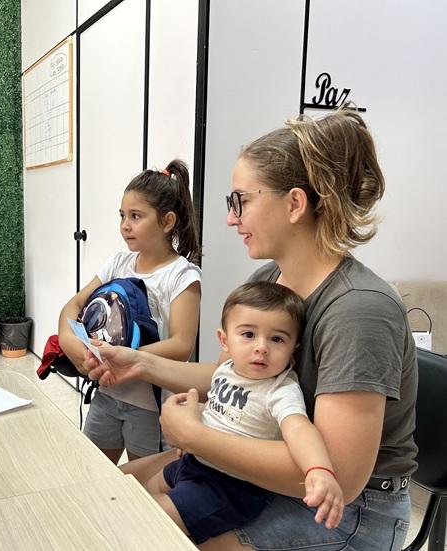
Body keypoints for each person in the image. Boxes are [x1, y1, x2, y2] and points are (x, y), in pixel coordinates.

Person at [86, 108, 418, 550]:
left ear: (294, 204)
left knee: (139, 532)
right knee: (104, 495)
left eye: (240, 200)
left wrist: (195, 436)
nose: (231, 218)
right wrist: (140, 363)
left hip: (349, 510)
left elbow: (339, 476)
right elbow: (230, 376)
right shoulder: (268, 281)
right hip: (266, 476)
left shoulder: (359, 310)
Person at [145, 281, 343, 545]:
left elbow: (299, 428)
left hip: (229, 487)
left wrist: (318, 469)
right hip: (194, 464)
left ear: (293, 349)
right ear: (224, 340)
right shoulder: (226, 370)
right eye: (249, 335)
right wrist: (192, 419)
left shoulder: (280, 389)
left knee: (151, 518)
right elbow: (220, 409)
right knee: (143, 492)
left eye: (277, 339)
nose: (262, 347)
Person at [59, 159, 202, 463]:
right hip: (106, 394)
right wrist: (70, 342)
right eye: (122, 216)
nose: (125, 225)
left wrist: (125, 358)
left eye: (136, 216)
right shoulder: (117, 263)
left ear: (167, 222)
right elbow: (73, 306)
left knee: (142, 482)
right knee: (93, 472)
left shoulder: (182, 275)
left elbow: (181, 346)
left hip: (150, 406)